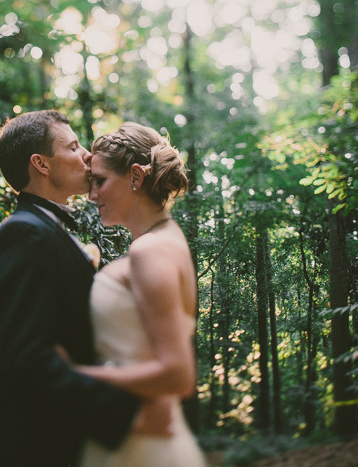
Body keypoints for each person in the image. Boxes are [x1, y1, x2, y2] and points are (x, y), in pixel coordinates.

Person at [0, 111, 173, 467]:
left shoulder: (45, 230)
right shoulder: (24, 233)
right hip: (25, 449)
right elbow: (26, 359)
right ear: (41, 164)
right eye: (74, 146)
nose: (87, 156)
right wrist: (125, 414)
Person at [77, 122, 207, 466]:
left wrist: (79, 376)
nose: (92, 195)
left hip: (142, 447)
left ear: (136, 177)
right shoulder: (164, 239)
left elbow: (178, 374)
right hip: (137, 431)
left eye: (100, 180)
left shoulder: (150, 252)